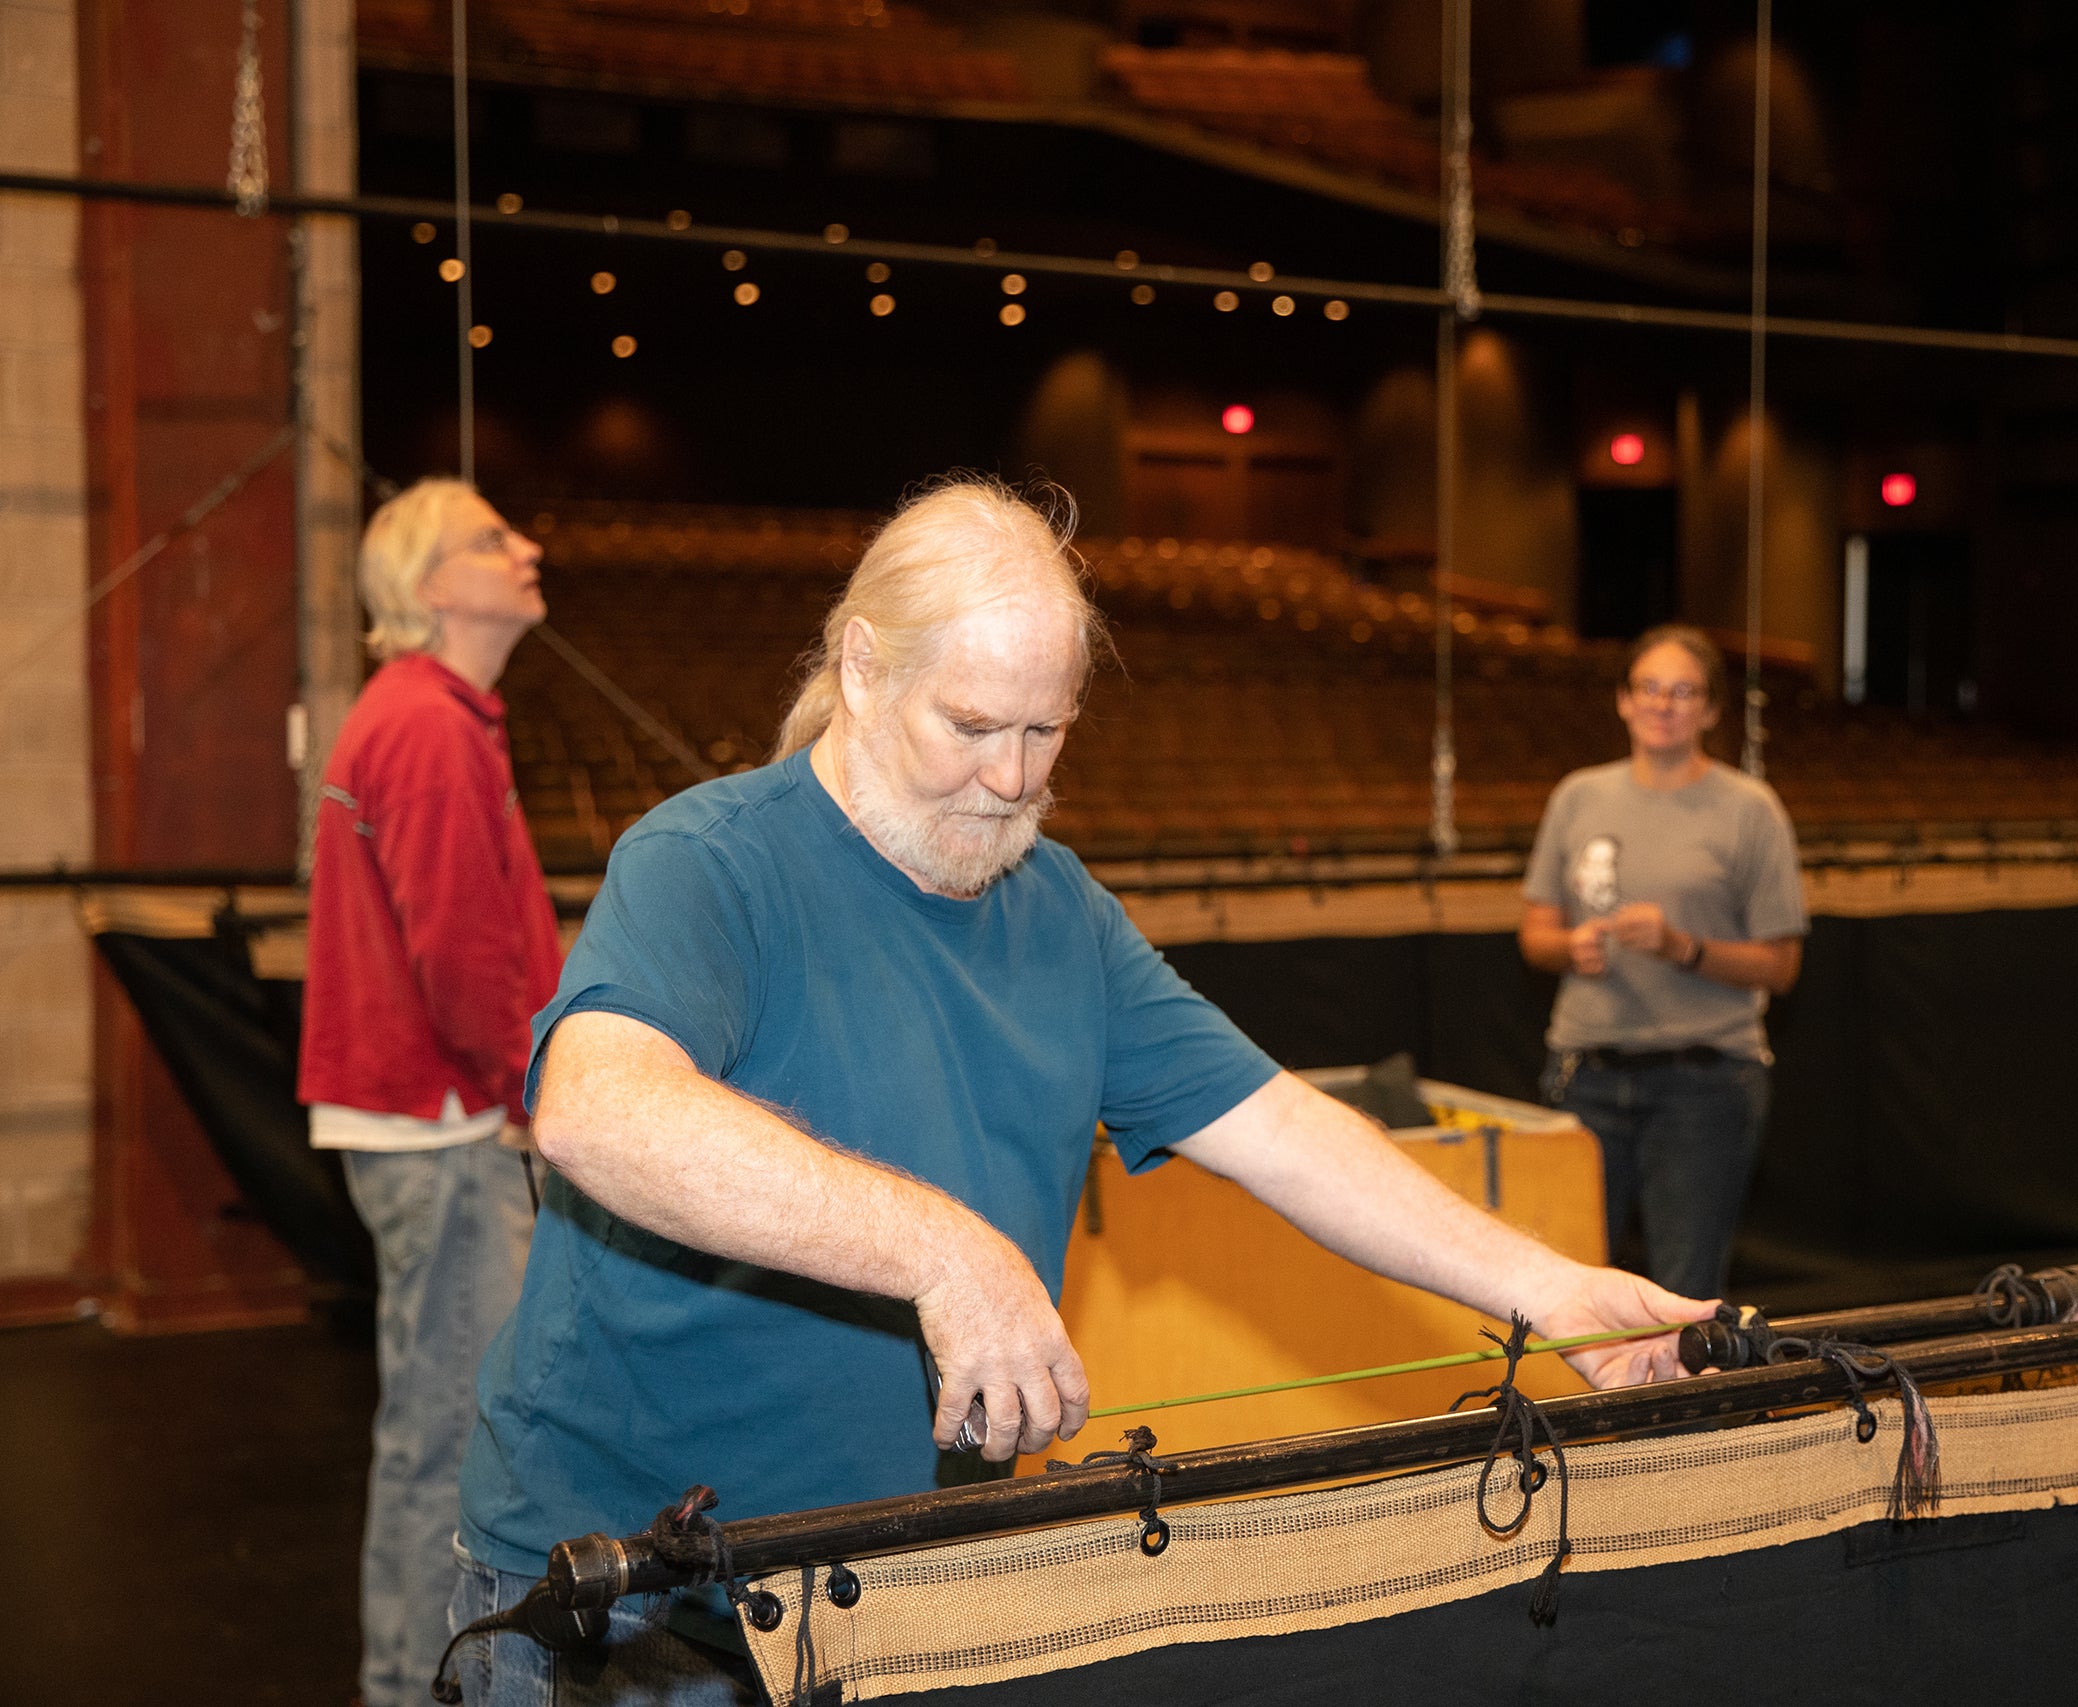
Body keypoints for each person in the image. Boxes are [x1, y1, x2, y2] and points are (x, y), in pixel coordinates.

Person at [447, 480, 1704, 1706]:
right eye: (972, 727)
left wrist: (1556, 1292)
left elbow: (1285, 1133)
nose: (1009, 779)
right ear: (862, 669)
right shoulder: (707, 862)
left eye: (1043, 733)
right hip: (625, 1594)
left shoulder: (1062, 913)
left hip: (876, 1585)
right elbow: (597, 1111)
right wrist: (944, 1251)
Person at [300, 479, 560, 1707]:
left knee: (438, 1431)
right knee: (447, 1443)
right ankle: (413, 1686)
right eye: (493, 539)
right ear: (428, 586)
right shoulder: (427, 726)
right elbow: (459, 955)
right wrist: (526, 1088)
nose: (527, 549)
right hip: (444, 1123)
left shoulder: (433, 716)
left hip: (436, 1117)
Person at [1517, 624, 1808, 1302]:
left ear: (1709, 710)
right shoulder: (1578, 797)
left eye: (1684, 692)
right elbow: (1535, 932)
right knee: (1567, 1293)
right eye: (1649, 687)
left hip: (1702, 1086)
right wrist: (1569, 947)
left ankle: (1687, 1412)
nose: (1663, 703)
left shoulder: (1750, 810)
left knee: (1683, 1298)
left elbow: (1782, 965)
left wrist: (1685, 947)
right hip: (1584, 1074)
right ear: (1623, 700)